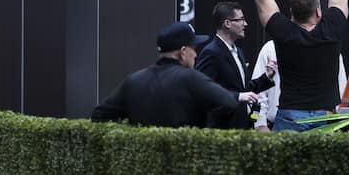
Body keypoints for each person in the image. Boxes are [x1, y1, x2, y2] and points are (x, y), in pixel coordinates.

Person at [253, 0, 349, 131]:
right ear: (318, 12)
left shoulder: (284, 32)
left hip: (289, 116)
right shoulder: (331, 28)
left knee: (285, 165)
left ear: (291, 13)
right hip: (326, 116)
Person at [91, 21, 260, 127]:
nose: (196, 54)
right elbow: (228, 103)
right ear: (183, 52)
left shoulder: (133, 81)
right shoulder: (191, 78)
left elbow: (99, 115)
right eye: (194, 48)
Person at [196, 2, 276, 129]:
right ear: (227, 23)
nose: (245, 24)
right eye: (241, 20)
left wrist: (267, 77)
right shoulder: (211, 52)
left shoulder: (238, 52)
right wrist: (238, 97)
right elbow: (203, 90)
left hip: (241, 125)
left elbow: (243, 89)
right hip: (222, 128)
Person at [249, 39, 348, 131]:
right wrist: (260, 123)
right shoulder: (272, 47)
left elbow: (341, 89)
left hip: (322, 119)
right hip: (283, 122)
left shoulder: (330, 49)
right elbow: (258, 91)